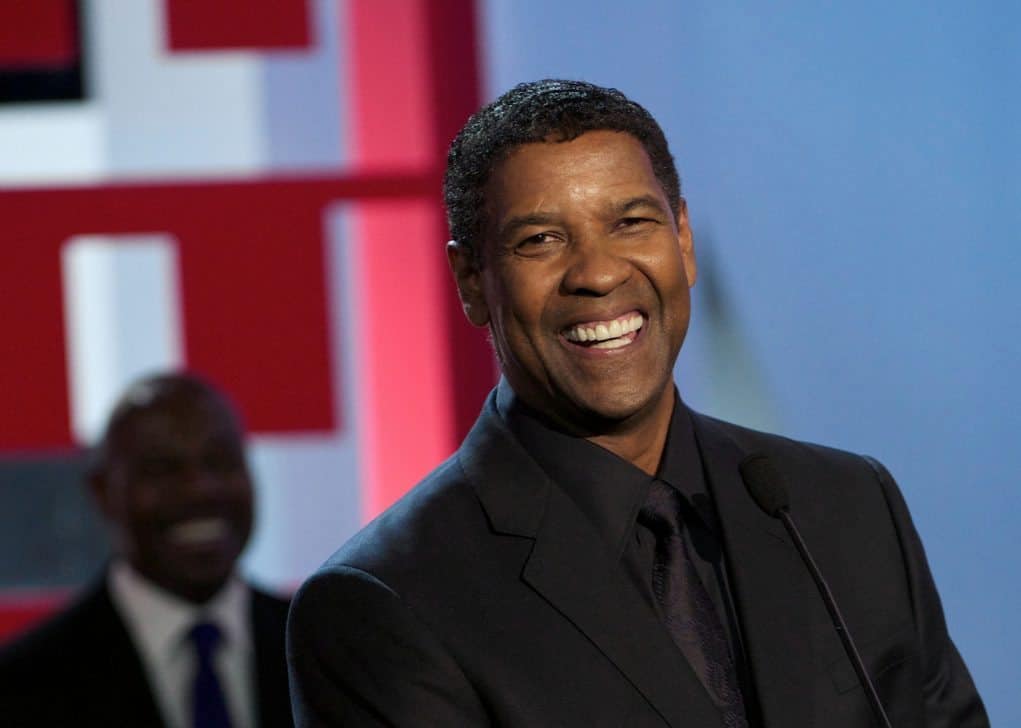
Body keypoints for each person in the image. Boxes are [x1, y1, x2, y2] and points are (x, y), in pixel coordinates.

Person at [286, 80, 988, 727]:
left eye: (630, 223)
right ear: (472, 280)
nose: (596, 274)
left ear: (681, 239)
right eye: (541, 240)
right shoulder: (386, 601)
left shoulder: (844, 503)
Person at [0, 372, 293, 728]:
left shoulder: (324, 646)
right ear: (102, 490)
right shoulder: (23, 685)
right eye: (163, 469)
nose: (199, 489)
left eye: (219, 462)